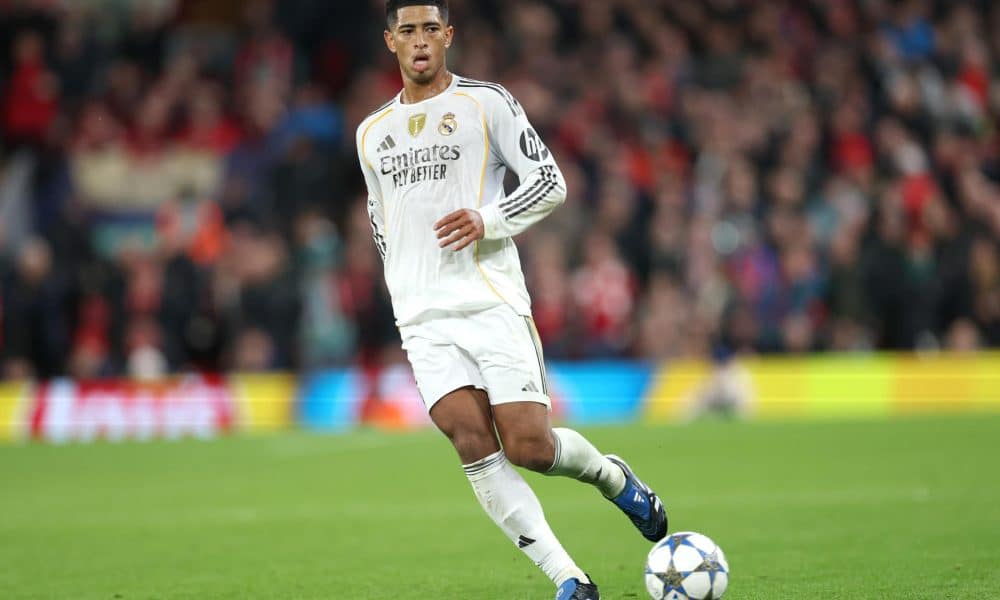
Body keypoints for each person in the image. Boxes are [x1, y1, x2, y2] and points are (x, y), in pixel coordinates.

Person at [355, 2, 668, 598]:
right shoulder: (371, 133)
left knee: (529, 446)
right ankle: (570, 580)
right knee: (470, 442)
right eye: (406, 31)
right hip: (422, 317)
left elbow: (550, 182)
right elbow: (380, 219)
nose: (419, 41)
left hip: (490, 300)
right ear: (389, 41)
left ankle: (610, 475)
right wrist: (402, 285)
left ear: (447, 35)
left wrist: (486, 218)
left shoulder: (487, 102)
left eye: (429, 29)